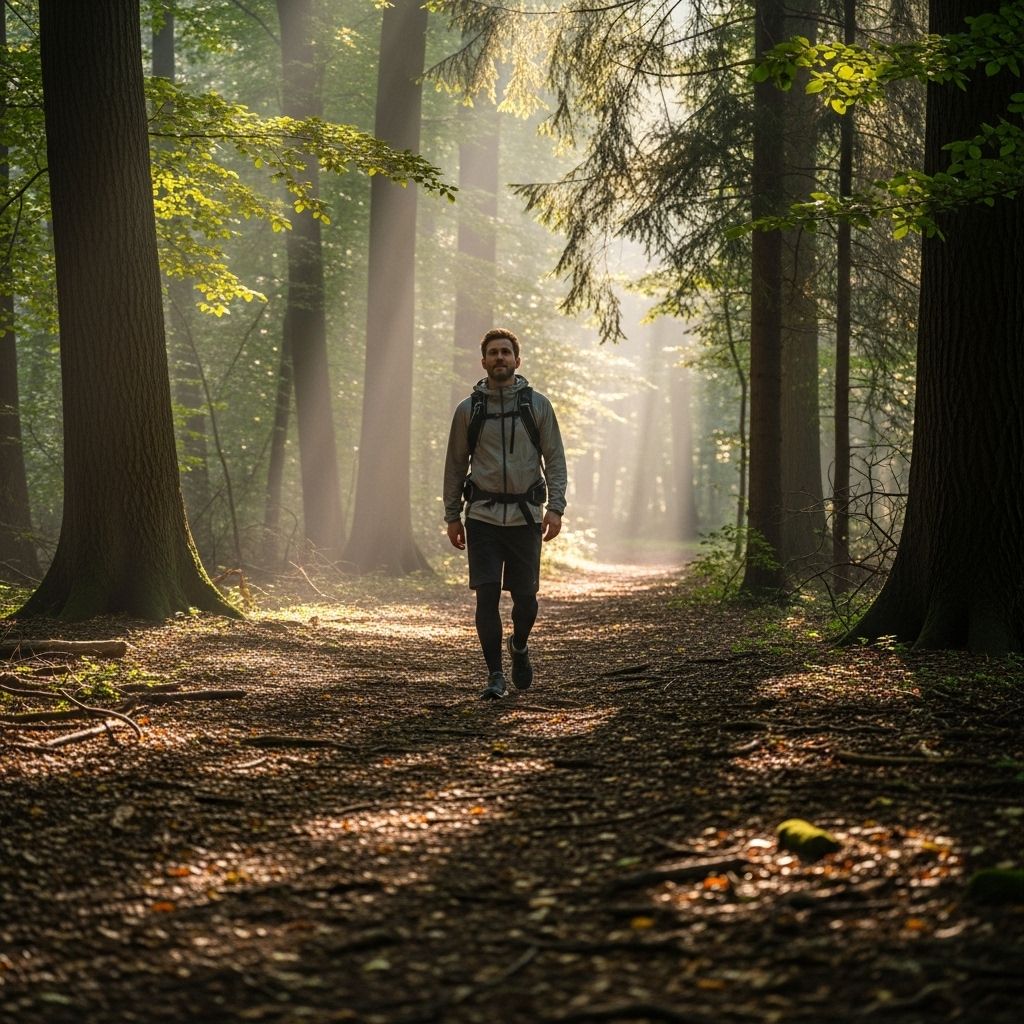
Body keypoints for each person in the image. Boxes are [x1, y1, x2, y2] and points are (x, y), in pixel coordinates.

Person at [443, 328, 568, 700]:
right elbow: (454, 465)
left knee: (526, 599)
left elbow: (555, 460)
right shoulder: (468, 410)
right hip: (481, 517)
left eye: (506, 353)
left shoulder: (537, 405)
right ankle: (495, 675)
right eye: (493, 353)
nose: (500, 358)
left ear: (517, 360)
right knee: (486, 596)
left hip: (527, 518)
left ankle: (520, 645)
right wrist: (452, 516)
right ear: (483, 361)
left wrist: (556, 508)